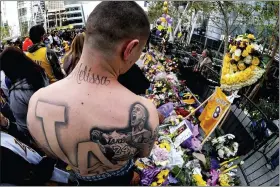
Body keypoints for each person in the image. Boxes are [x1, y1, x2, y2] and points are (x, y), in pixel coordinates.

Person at [27, 2, 159, 185]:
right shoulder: (145, 112)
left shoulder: (36, 103)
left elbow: (48, 150)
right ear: (130, 48)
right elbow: (143, 152)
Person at [0, 47, 49, 142]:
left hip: (42, 139)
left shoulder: (16, 94)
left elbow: (24, 130)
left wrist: (6, 123)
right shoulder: (40, 73)